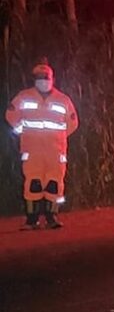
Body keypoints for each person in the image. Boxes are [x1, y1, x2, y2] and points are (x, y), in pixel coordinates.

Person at [5, 61, 78, 230]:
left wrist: (58, 137)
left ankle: (52, 217)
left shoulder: (63, 100)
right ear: (33, 79)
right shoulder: (23, 97)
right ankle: (32, 220)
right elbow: (10, 114)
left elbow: (73, 123)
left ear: (52, 78)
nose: (43, 80)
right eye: (39, 77)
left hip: (55, 151)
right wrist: (22, 131)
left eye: (46, 77)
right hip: (32, 150)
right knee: (33, 183)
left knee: (54, 183)